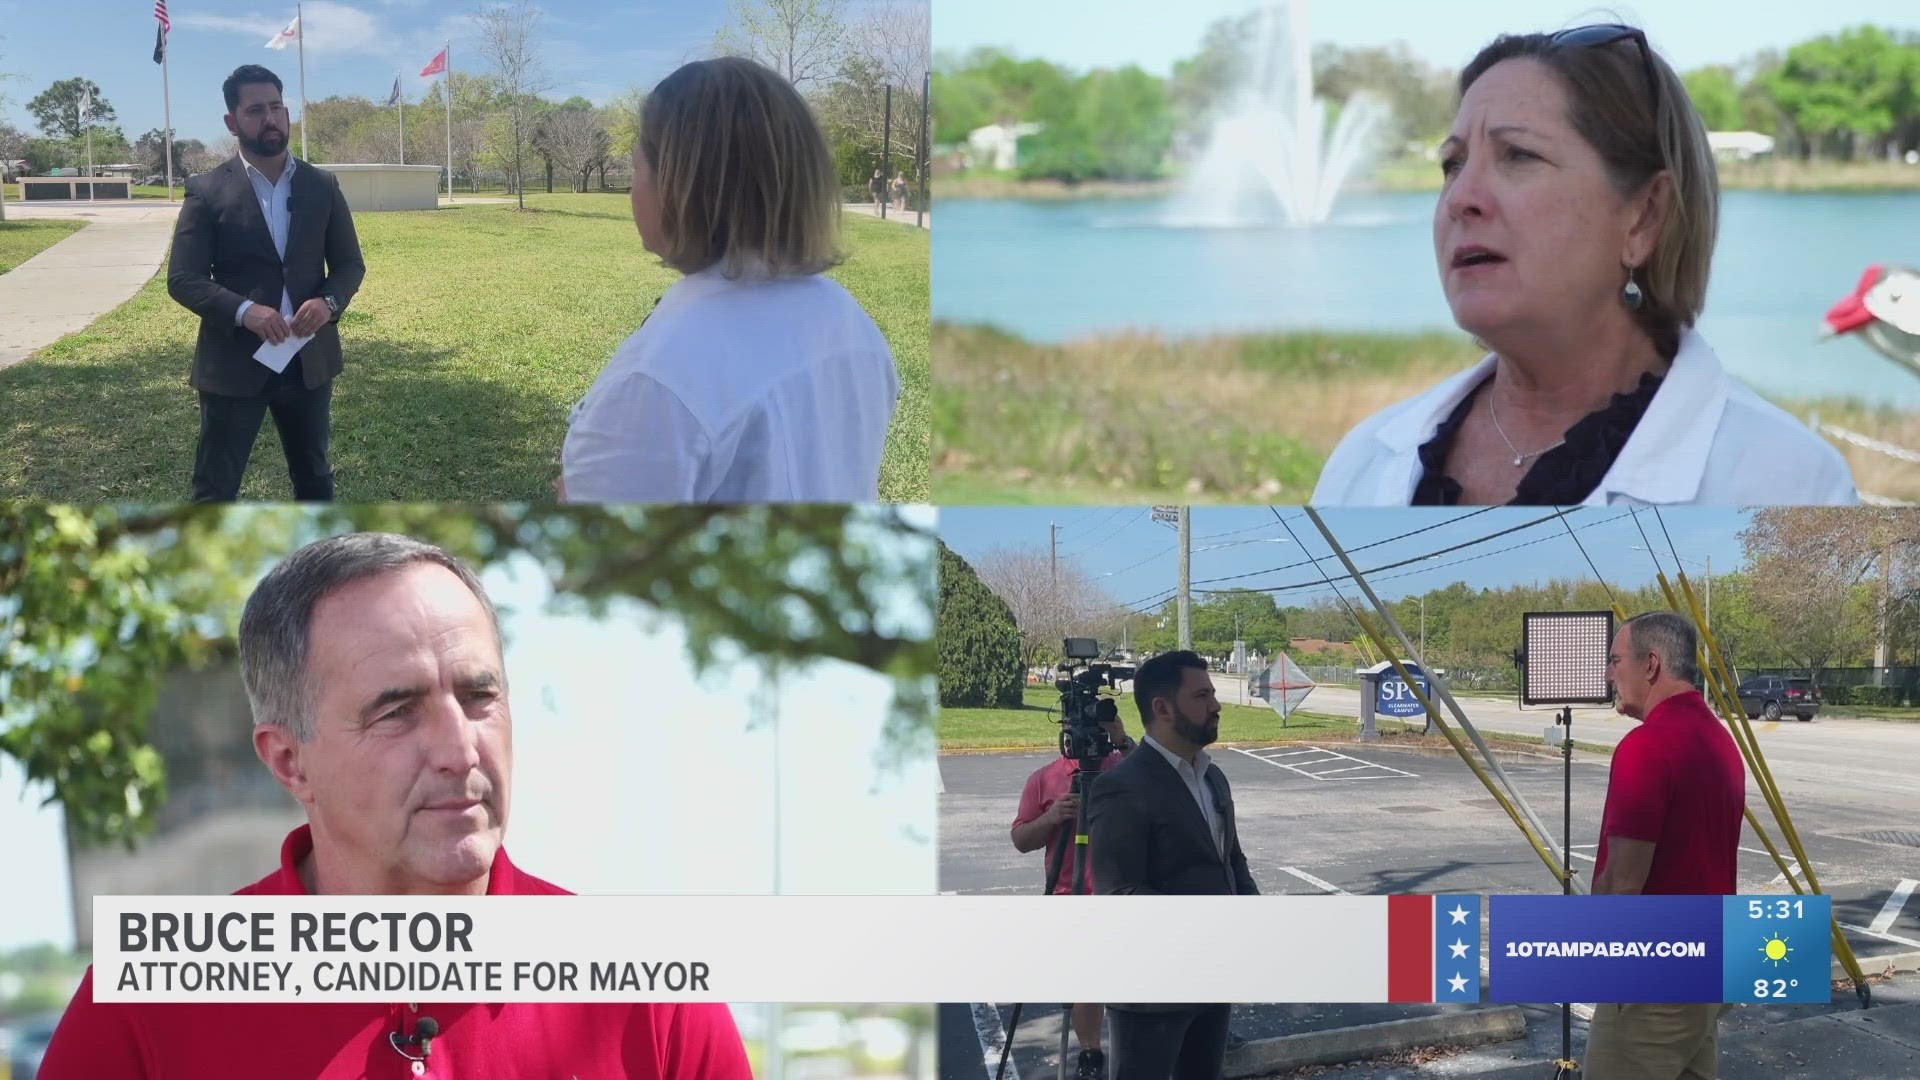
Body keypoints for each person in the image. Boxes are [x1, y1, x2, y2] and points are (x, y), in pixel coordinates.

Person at [37, 533, 753, 1079]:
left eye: (479, 698)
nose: (459, 749)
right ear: (289, 760)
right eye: (397, 711)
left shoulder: (654, 997)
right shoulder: (144, 1009)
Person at [1311, 25, 1856, 506]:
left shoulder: (1787, 480)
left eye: (1518, 155)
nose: (1461, 198)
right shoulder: (1366, 458)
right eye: (1452, 165)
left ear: (1644, 217)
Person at [559, 57, 899, 502]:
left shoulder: (659, 378)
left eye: (637, 166)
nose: (632, 189)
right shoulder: (849, 321)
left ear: (679, 182)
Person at [167, 65, 365, 503]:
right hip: (234, 363)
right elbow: (183, 278)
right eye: (256, 110)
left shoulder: (322, 185)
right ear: (232, 122)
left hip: (307, 358)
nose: (271, 118)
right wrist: (245, 312)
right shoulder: (207, 191)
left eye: (276, 107)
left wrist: (329, 301)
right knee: (216, 488)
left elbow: (351, 265)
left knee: (314, 479)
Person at [1585, 611, 1744, 1080]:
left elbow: (1623, 882)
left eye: (1616, 660)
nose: (1609, 673)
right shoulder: (1719, 741)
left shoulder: (1646, 747)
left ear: (1650, 664)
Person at [1089, 650, 1258, 1080]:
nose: (1216, 705)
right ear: (1162, 708)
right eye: (1202, 695)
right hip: (1151, 991)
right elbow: (1119, 893)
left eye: (1213, 694)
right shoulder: (1121, 787)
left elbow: (1231, 863)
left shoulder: (1212, 777)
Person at [1010, 704, 1134, 1080]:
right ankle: (1091, 1053)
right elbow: (1020, 839)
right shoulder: (1044, 779)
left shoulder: (1124, 766)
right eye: (1075, 724)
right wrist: (1052, 817)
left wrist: (1124, 740)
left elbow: (1161, 780)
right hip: (1070, 895)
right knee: (1085, 978)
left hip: (1125, 891)